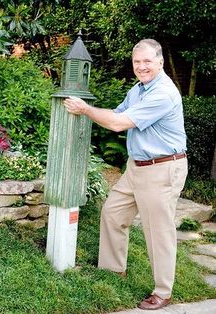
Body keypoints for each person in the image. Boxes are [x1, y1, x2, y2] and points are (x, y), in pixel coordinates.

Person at [64, 39, 188, 311]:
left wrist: (84, 109)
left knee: (158, 232)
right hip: (138, 166)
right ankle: (112, 268)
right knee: (112, 213)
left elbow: (119, 124)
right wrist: (90, 110)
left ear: (160, 62)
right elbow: (117, 113)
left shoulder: (163, 93)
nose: (141, 67)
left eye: (147, 61)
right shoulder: (139, 89)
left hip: (162, 168)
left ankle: (162, 291)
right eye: (137, 62)